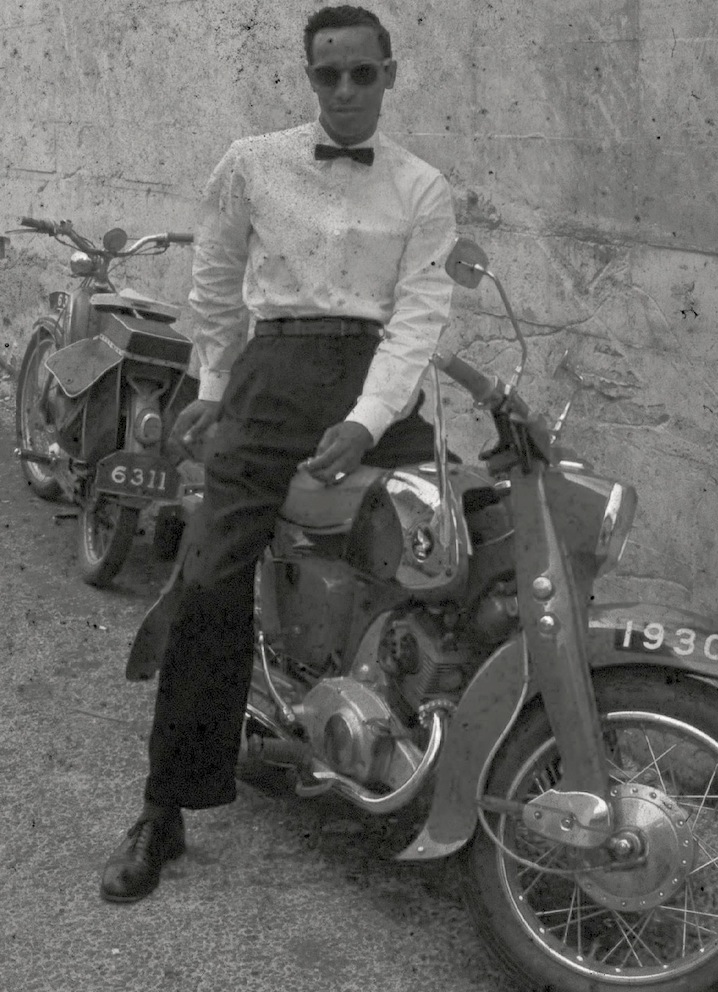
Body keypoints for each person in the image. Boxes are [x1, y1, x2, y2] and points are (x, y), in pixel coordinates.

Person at [100, 4, 456, 903]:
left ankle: (417, 744)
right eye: (328, 73)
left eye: (362, 72)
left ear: (389, 74)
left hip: (376, 384)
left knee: (449, 540)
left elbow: (419, 316)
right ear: (309, 77)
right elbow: (217, 281)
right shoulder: (252, 162)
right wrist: (214, 386)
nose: (345, 89)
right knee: (210, 581)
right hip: (272, 378)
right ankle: (163, 811)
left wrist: (368, 419)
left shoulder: (423, 188)